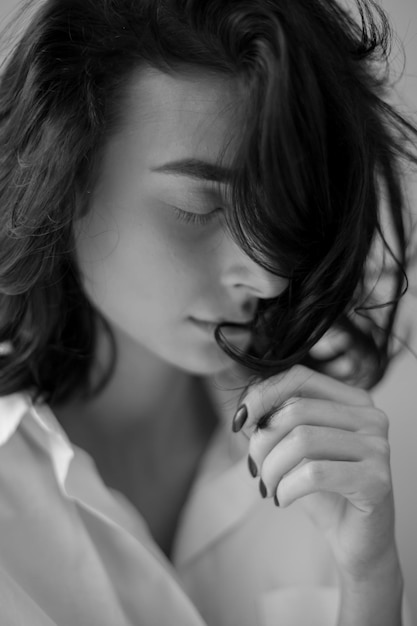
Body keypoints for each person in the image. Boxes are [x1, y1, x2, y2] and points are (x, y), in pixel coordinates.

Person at [0, 0, 416, 624]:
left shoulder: (330, 464)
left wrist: (372, 579)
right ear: (66, 173)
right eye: (198, 210)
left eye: (278, 211)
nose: (269, 277)